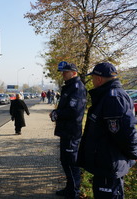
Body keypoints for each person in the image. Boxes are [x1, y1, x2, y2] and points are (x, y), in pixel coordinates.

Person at [77, 62, 137, 199]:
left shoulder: (113, 98)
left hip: (109, 164)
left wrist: (133, 154)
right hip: (105, 162)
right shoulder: (109, 95)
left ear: (99, 79)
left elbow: (125, 132)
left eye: (92, 78)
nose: (92, 82)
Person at [49, 61, 87, 199]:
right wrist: (56, 112)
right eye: (63, 72)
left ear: (74, 73)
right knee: (65, 161)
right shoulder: (70, 87)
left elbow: (74, 111)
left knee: (71, 163)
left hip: (71, 132)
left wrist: (57, 114)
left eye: (66, 72)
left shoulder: (77, 88)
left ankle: (74, 192)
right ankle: (70, 188)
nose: (63, 74)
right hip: (66, 131)